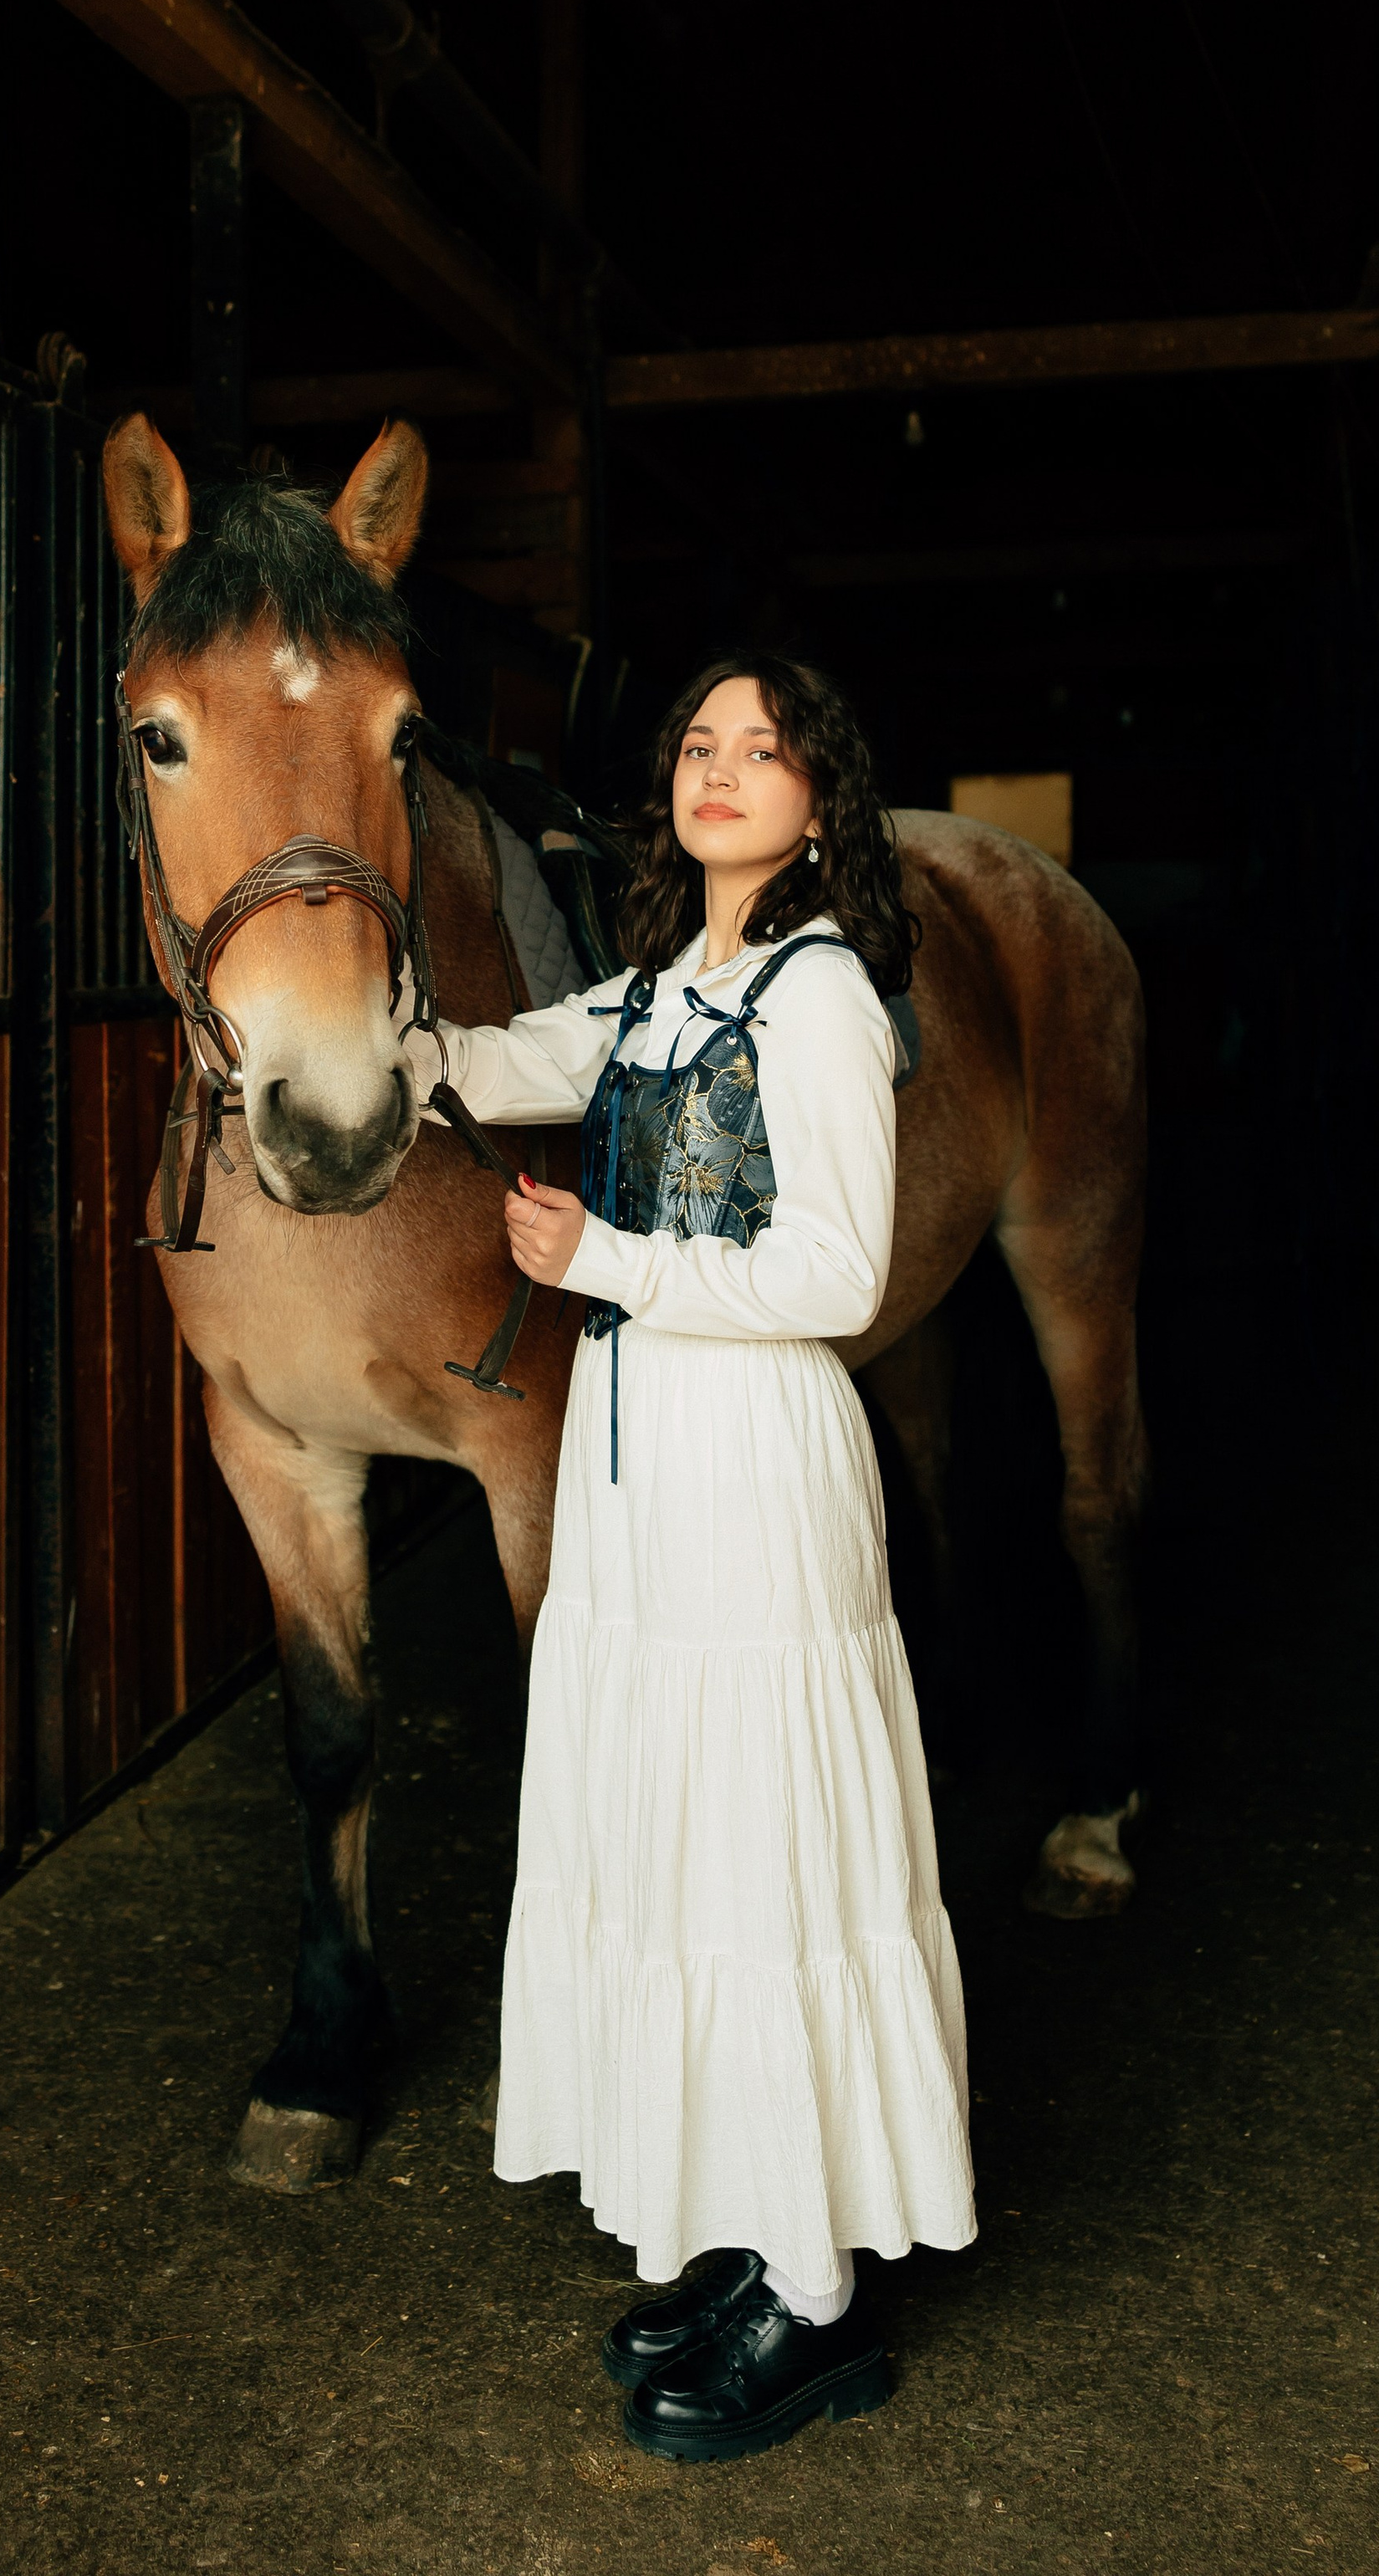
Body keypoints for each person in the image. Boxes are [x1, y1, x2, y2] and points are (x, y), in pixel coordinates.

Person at [407, 653, 975, 2464]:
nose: (723, 770)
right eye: (700, 746)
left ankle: (815, 2301)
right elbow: (511, 1059)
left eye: (766, 750)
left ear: (820, 800)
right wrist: (368, 1020)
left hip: (752, 1462)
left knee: (760, 1850)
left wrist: (615, 1269)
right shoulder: (667, 980)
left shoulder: (815, 996)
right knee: (676, 1837)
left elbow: (834, 1278)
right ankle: (749, 2241)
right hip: (642, 1475)